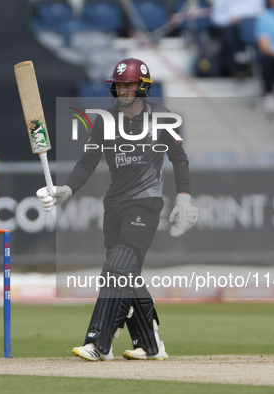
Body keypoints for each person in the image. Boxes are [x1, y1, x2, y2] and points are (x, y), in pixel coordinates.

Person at [36, 58, 198, 361]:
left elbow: (180, 159)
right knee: (128, 275)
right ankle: (151, 345)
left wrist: (184, 199)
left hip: (146, 205)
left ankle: (99, 342)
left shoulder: (162, 118)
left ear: (143, 87)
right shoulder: (105, 121)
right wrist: (66, 189)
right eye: (120, 85)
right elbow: (86, 163)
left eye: (130, 85)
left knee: (116, 271)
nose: (123, 91)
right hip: (114, 207)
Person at [210, 0, 266, 77]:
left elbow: (262, 12)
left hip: (254, 25)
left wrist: (244, 18)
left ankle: (252, 60)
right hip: (231, 27)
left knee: (251, 27)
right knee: (230, 32)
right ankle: (239, 65)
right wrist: (229, 20)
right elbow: (217, 18)